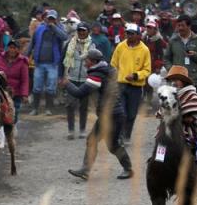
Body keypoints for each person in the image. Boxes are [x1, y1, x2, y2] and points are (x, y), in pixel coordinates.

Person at [64, 49, 133, 180]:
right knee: (112, 145)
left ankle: (86, 170)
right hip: (114, 114)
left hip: (110, 115)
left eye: (87, 60)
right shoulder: (107, 70)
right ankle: (128, 169)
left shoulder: (97, 75)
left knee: (94, 141)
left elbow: (80, 93)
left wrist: (67, 84)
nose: (84, 63)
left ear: (93, 61)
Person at [110, 23, 151, 144]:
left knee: (132, 114)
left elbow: (147, 70)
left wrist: (135, 75)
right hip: (120, 85)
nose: (129, 35)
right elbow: (113, 64)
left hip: (136, 87)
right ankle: (120, 136)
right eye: (127, 33)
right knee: (121, 112)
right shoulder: (120, 46)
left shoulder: (144, 50)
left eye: (132, 33)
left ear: (138, 35)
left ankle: (127, 135)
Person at [26, 9, 67, 115]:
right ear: (46, 17)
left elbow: (64, 37)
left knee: (51, 87)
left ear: (56, 19)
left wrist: (53, 26)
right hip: (39, 63)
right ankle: (35, 109)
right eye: (49, 18)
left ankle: (49, 109)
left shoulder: (60, 28)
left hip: (53, 64)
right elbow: (32, 43)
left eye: (53, 18)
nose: (51, 20)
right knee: (37, 86)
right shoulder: (39, 28)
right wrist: (25, 56)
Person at [61, 22, 95, 139]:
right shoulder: (69, 44)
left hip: (86, 79)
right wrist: (63, 76)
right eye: (79, 30)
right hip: (71, 78)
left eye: (83, 30)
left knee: (83, 106)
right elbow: (63, 61)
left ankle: (82, 129)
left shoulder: (92, 45)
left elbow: (95, 62)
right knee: (70, 104)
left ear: (88, 32)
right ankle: (71, 130)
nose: (81, 32)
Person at [163, 14, 197, 89]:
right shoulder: (173, 41)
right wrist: (173, 72)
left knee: (191, 101)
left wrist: (195, 55)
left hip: (193, 81)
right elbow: (166, 59)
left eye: (182, 25)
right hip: (177, 81)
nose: (180, 28)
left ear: (189, 26)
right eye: (178, 25)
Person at [0, 39, 29, 126]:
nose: (12, 50)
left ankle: (11, 128)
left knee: (14, 112)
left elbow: (25, 80)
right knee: (0, 111)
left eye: (15, 48)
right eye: (10, 47)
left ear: (18, 49)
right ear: (7, 48)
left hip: (15, 92)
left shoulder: (22, 62)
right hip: (1, 91)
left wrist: (24, 95)